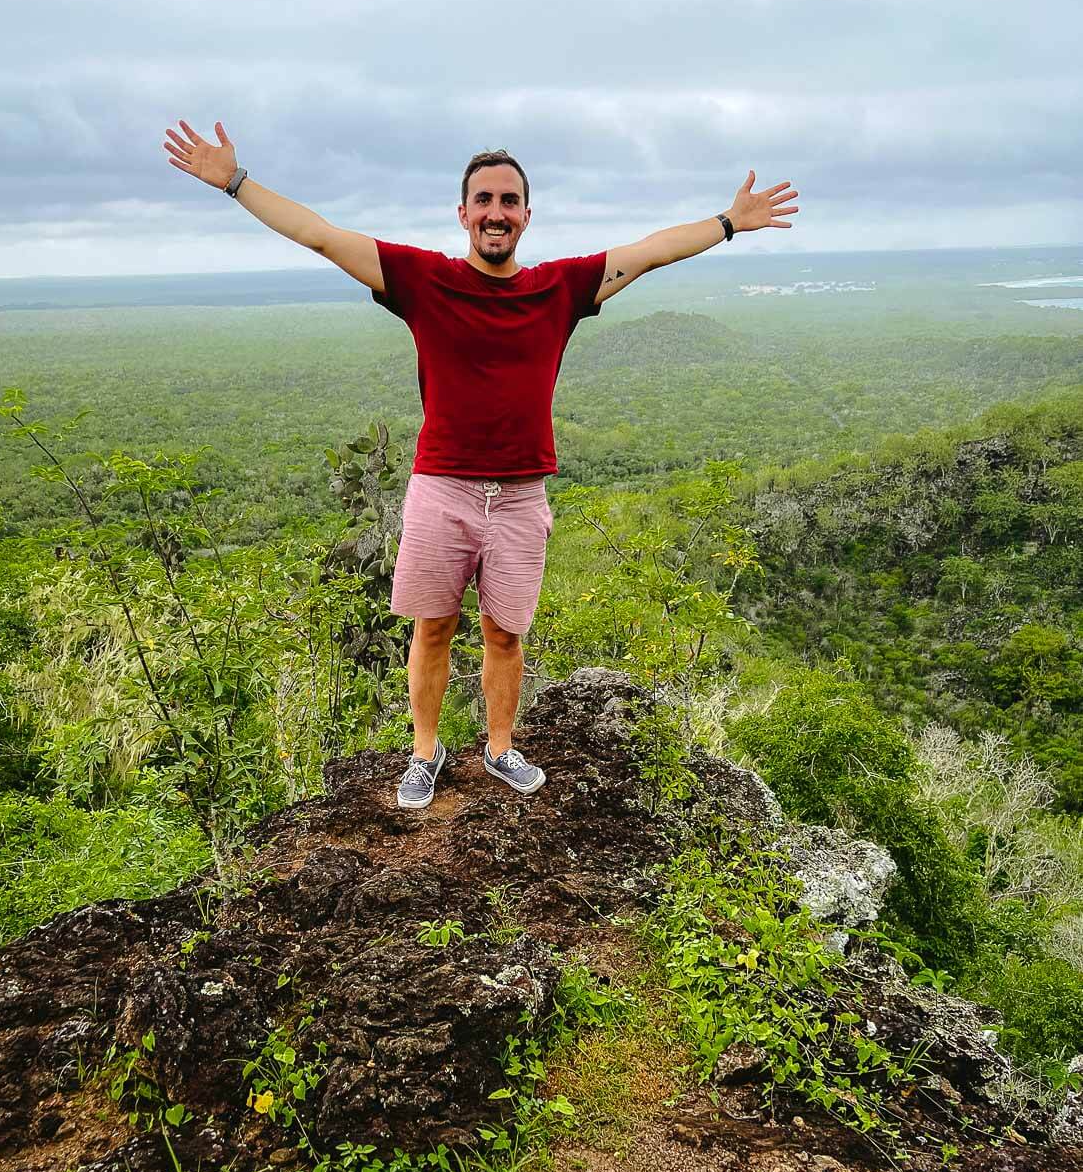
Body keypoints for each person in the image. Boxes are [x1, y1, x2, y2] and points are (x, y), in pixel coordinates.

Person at [162, 120, 799, 808]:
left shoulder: (559, 289)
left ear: (525, 215)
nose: (496, 213)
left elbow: (648, 253)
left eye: (509, 201)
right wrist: (234, 181)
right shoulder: (422, 279)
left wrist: (729, 222)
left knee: (504, 630)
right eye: (484, 201)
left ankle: (498, 748)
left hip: (521, 495)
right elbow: (319, 234)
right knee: (432, 625)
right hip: (443, 488)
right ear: (462, 213)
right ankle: (424, 752)